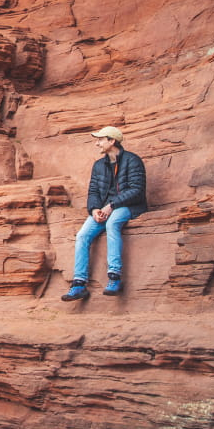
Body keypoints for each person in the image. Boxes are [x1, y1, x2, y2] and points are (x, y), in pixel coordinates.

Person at [61, 126, 148, 301]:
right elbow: (93, 192)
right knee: (82, 235)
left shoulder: (133, 160)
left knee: (112, 223)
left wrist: (112, 205)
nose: (97, 143)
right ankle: (79, 284)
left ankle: (114, 277)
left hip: (129, 206)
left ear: (112, 141)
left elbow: (137, 190)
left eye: (100, 140)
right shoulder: (99, 165)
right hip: (103, 209)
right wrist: (94, 210)